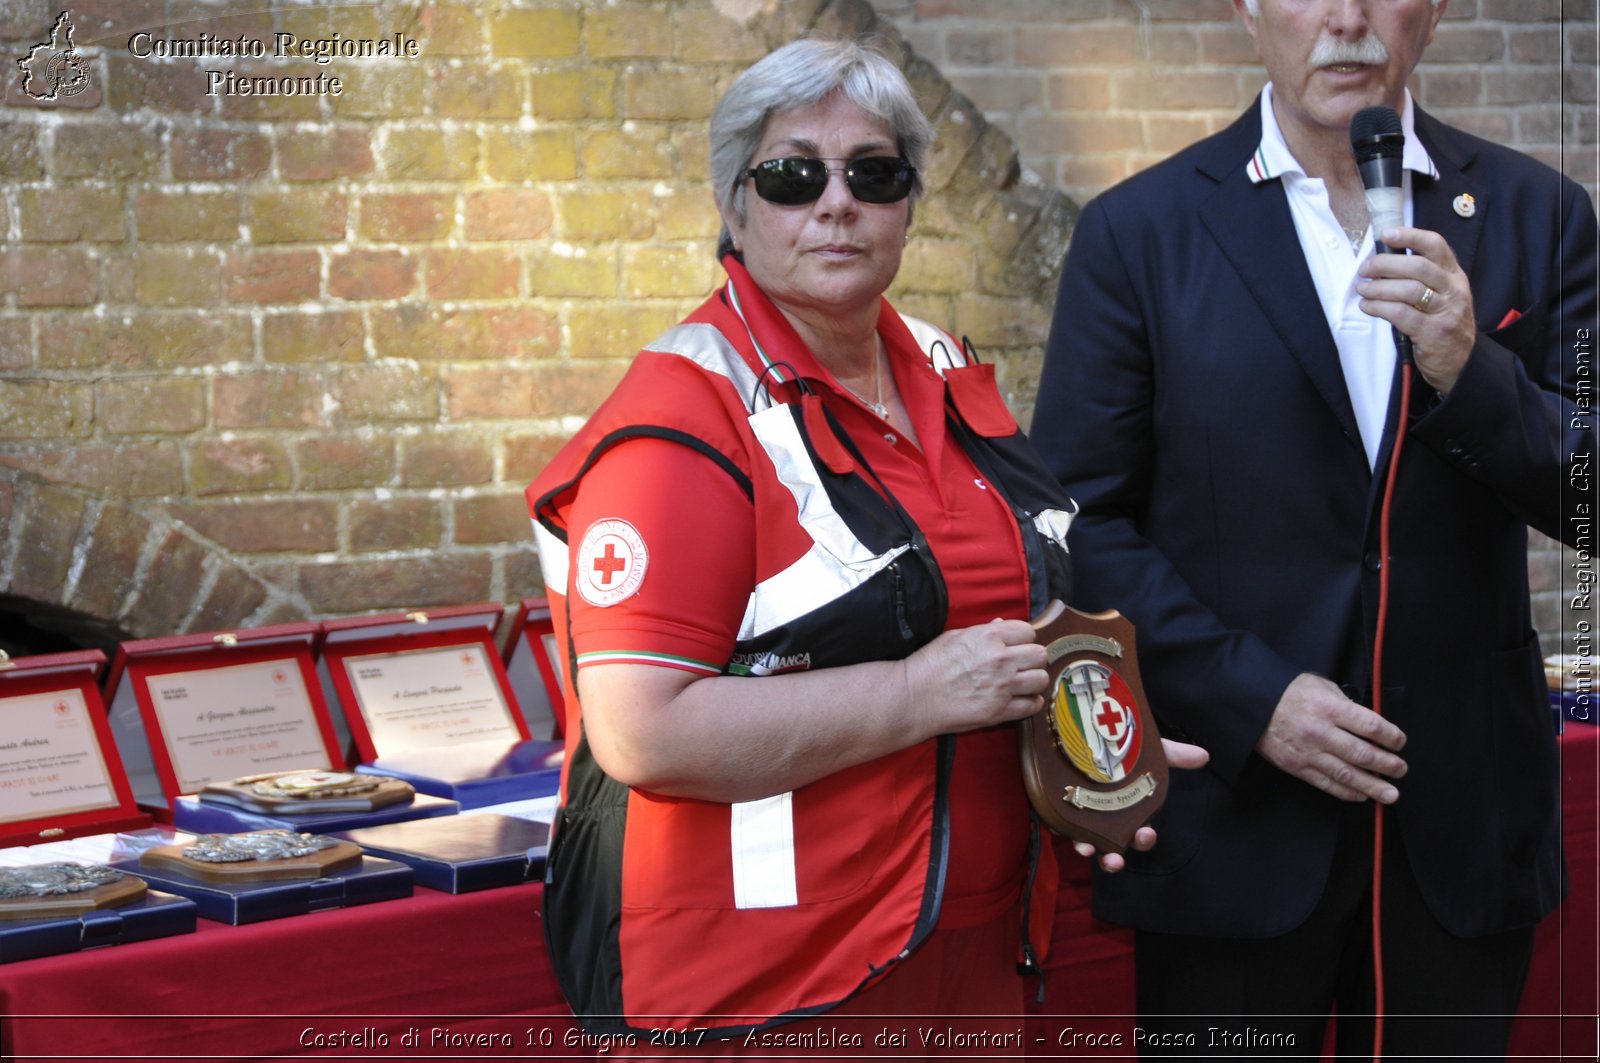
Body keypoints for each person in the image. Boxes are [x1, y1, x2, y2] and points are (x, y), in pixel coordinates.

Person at [525, 35, 1205, 1049]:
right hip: (771, 987)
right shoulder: (680, 420)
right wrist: (914, 695)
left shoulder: (942, 370)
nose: (836, 202)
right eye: (794, 175)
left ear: (908, 206)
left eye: (873, 175)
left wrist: (1099, 758)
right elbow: (642, 731)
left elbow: (1010, 624)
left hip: (969, 951)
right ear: (736, 205)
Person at [1031, 0, 1597, 1057]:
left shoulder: (1537, 213)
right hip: (1236, 828)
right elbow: (1073, 526)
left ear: (1429, 11)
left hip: (1459, 829)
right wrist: (1254, 698)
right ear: (1247, 11)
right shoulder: (1140, 232)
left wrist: (1471, 375)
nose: (1344, 20)